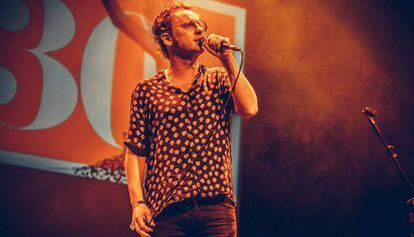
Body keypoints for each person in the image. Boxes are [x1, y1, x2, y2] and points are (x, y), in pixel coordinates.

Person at [119, 1, 258, 236]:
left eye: (200, 25)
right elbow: (134, 152)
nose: (200, 30)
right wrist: (138, 203)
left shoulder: (217, 79)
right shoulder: (147, 90)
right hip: (166, 212)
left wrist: (227, 59)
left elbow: (249, 108)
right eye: (188, 25)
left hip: (216, 208)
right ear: (167, 38)